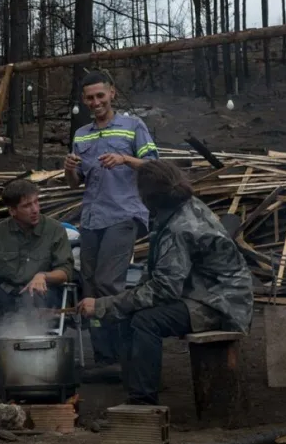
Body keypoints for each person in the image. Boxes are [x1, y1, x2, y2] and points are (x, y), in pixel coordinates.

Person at [77, 160, 254, 405]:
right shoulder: (179, 208)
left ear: (148, 198)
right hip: (202, 292)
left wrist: (102, 305)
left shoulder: (179, 229)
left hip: (222, 304)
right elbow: (160, 277)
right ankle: (136, 386)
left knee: (146, 321)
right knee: (130, 314)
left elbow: (164, 290)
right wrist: (122, 302)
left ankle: (143, 401)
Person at [64, 70, 159, 370]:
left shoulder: (133, 126)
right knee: (90, 285)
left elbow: (155, 166)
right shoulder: (82, 135)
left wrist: (125, 159)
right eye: (90, 98)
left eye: (100, 96)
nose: (95, 102)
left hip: (124, 214)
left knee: (108, 281)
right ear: (84, 99)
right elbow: (74, 183)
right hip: (91, 218)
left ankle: (124, 353)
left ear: (112, 93)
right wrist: (69, 168)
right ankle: (104, 357)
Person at [0, 180, 74, 355]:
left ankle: (35, 352)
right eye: (27, 206)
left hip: (41, 296)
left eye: (36, 202)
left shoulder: (54, 230)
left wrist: (43, 276)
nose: (35, 209)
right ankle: (1, 349)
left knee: (36, 296)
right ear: (12, 211)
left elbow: (66, 271)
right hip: (6, 295)